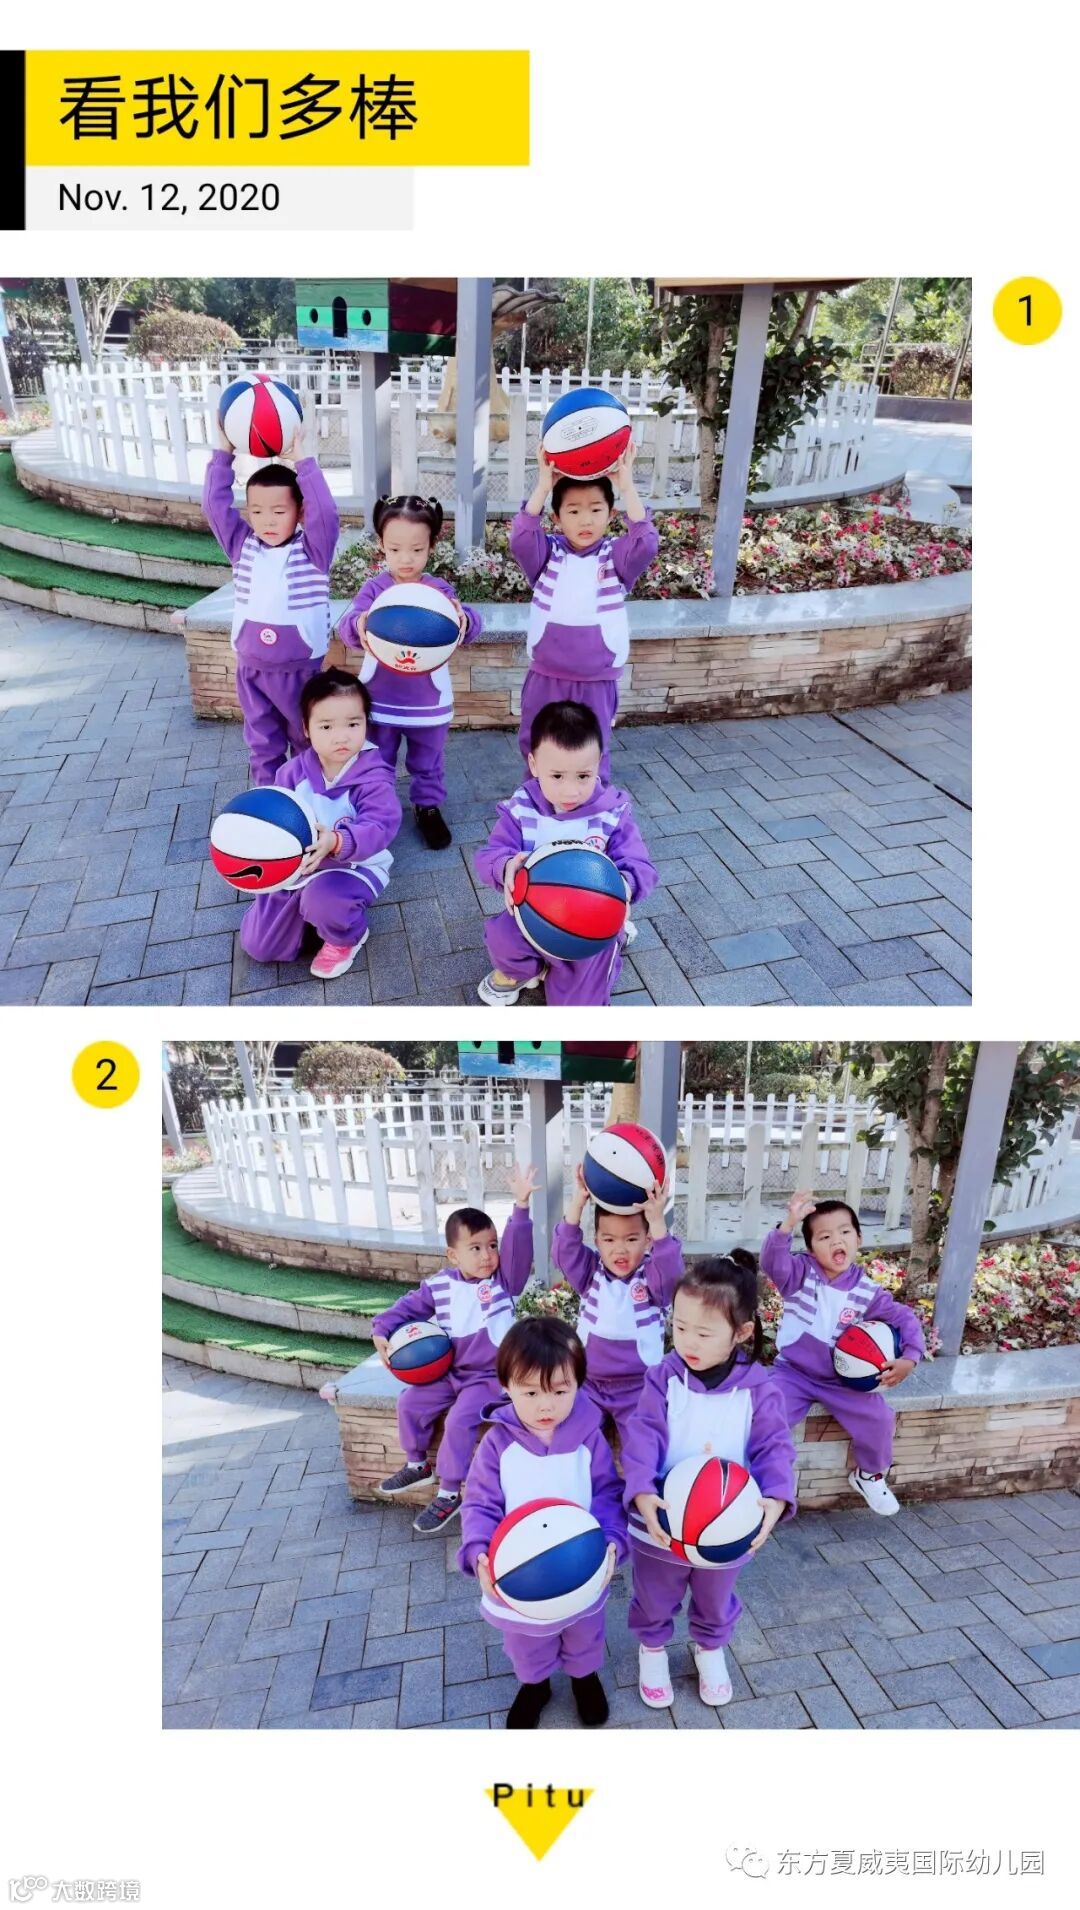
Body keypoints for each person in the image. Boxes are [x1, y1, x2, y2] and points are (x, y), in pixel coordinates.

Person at [621, 1256, 796, 1710]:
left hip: (726, 1526)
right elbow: (642, 1435)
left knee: (716, 1597)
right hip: (661, 1522)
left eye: (703, 1332)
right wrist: (641, 1490)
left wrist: (777, 1496)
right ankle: (652, 1648)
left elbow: (774, 1446)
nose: (687, 1341)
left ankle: (710, 1646)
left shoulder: (758, 1389)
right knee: (653, 1595)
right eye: (679, 1327)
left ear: (742, 1332)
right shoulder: (663, 1378)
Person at [458, 1317, 628, 1728]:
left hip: (580, 1566)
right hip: (521, 1572)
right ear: (506, 1386)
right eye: (531, 1392)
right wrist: (478, 1551)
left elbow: (607, 1494)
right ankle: (535, 1684)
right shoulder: (497, 1444)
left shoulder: (588, 1439)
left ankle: (584, 1677)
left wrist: (612, 1538)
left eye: (560, 1391)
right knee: (525, 1640)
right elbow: (480, 1503)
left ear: (579, 1384)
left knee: (584, 1630)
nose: (545, 1405)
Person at [371, 1171, 538, 1532]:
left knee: (461, 1418)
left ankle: (449, 1492)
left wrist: (521, 1207)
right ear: (453, 1254)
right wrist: (380, 1330)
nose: (487, 1255)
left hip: (490, 1377)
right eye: (475, 1248)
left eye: (492, 1245)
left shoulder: (504, 1282)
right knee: (409, 1402)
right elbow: (404, 1309)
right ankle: (417, 1464)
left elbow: (518, 1251)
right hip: (449, 1373)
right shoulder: (439, 1286)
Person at [473, 699, 657, 1006]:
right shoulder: (522, 810)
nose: (571, 790)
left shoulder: (611, 815)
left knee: (577, 1005)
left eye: (583, 776)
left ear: (598, 763)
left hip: (590, 921)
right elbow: (489, 855)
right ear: (534, 765)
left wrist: (623, 886)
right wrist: (504, 867)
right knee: (502, 938)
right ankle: (524, 970)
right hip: (534, 915)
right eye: (557, 776)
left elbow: (641, 865)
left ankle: (614, 939)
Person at [761, 1193, 926, 1516]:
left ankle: (869, 1475)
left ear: (859, 1239)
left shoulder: (867, 1291)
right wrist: (788, 1224)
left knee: (879, 1419)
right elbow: (771, 1261)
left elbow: (904, 1318)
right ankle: (763, 1476)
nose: (837, 1240)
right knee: (766, 1413)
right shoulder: (798, 1273)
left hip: (841, 1381)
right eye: (824, 1237)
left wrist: (910, 1357)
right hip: (793, 1373)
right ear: (811, 1248)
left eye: (845, 1232)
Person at [203, 404, 339, 785]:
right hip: (252, 669)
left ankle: (311, 801)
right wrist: (223, 453)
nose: (267, 521)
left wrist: (303, 462)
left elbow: (327, 514)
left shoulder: (313, 551)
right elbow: (214, 507)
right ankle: (270, 804)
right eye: (258, 511)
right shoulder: (242, 546)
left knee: (307, 743)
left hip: (300, 670)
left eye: (279, 511)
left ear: (300, 512)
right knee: (263, 746)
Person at [336, 494, 481, 850]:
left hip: (429, 702)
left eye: (416, 549)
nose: (405, 559)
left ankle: (427, 806)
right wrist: (359, 623)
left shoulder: (439, 592)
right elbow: (347, 628)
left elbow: (469, 625)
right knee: (377, 759)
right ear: (382, 544)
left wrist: (466, 620)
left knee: (428, 761)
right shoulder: (374, 590)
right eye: (395, 549)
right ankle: (376, 809)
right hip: (379, 700)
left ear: (431, 546)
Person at [238, 670, 400, 981]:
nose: (341, 737)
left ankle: (346, 937)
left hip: (352, 868)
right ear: (306, 729)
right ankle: (304, 915)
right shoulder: (291, 773)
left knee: (324, 901)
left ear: (366, 723)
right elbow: (275, 816)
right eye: (326, 726)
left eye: (353, 724)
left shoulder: (374, 778)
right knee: (260, 946)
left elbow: (380, 826)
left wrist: (337, 841)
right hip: (298, 868)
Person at [511, 443, 658, 784]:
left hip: (596, 677)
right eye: (573, 511)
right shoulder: (546, 554)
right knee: (536, 742)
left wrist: (627, 487)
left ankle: (592, 808)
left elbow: (646, 543)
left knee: (593, 749)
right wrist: (543, 486)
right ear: (557, 517)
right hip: (546, 674)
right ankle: (536, 803)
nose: (586, 520)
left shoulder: (616, 557)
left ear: (611, 514)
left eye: (595, 509)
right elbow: (521, 539)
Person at [551, 1164, 683, 1440]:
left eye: (631, 1239)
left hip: (639, 1386)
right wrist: (578, 1202)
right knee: (572, 1438)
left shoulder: (652, 1278)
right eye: (609, 1239)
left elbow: (671, 1274)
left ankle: (642, 1472)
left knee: (643, 1443)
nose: (619, 1249)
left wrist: (657, 1221)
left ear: (647, 1240)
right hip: (588, 1383)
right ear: (597, 1241)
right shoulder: (591, 1273)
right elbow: (564, 1252)